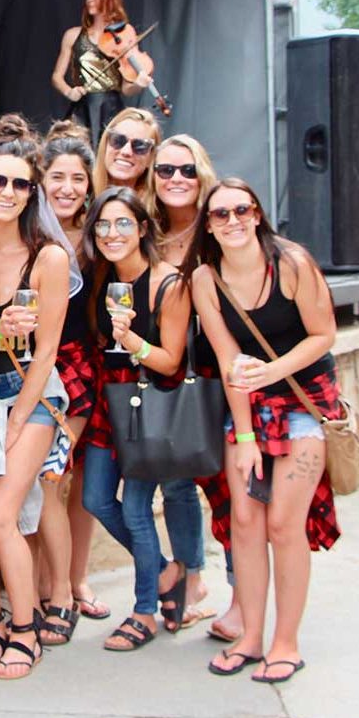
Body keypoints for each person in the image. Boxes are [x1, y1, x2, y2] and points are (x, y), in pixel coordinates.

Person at [185, 179, 341, 683]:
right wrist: (247, 436)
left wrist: (272, 373)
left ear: (257, 215)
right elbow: (231, 361)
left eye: (240, 211)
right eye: (220, 215)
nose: (231, 221)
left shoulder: (291, 263)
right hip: (249, 405)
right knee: (245, 525)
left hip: (302, 401)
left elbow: (324, 334)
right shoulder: (206, 279)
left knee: (282, 525)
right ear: (208, 225)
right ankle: (251, 637)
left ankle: (285, 643)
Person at [0, 115, 72, 680]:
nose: (9, 193)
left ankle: (25, 630)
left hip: (31, 392)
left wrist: (20, 422)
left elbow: (47, 351)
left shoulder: (47, 256)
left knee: (3, 516)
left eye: (21, 184)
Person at [80, 186, 190, 651]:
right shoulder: (100, 278)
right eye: (103, 224)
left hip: (151, 407)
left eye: (123, 222)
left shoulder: (169, 284)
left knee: (135, 509)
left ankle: (144, 611)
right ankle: (166, 570)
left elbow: (170, 361)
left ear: (143, 228)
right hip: (110, 403)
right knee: (95, 500)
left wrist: (133, 343)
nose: (111, 233)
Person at [150, 133, 233, 633]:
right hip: (170, 373)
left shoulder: (222, 224)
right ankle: (194, 578)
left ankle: (243, 597)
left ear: (202, 173)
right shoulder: (149, 232)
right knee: (176, 483)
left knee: (233, 492)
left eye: (186, 170)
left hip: (221, 375)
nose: (176, 179)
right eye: (165, 171)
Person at [35, 123, 109, 640]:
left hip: (76, 371)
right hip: (23, 370)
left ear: (89, 185)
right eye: (56, 176)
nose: (66, 187)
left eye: (77, 178)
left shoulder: (99, 238)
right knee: (37, 484)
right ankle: (43, 591)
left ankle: (61, 592)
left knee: (52, 477)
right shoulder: (27, 234)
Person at [50, 0, 150, 147]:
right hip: (82, 109)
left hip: (111, 109)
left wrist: (139, 84)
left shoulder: (124, 35)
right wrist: (69, 92)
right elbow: (56, 77)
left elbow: (127, 89)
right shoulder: (73, 35)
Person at [91, 106, 161, 201]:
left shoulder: (160, 208)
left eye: (139, 146)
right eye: (118, 140)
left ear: (151, 157)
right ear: (105, 144)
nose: (126, 152)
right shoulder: (82, 194)